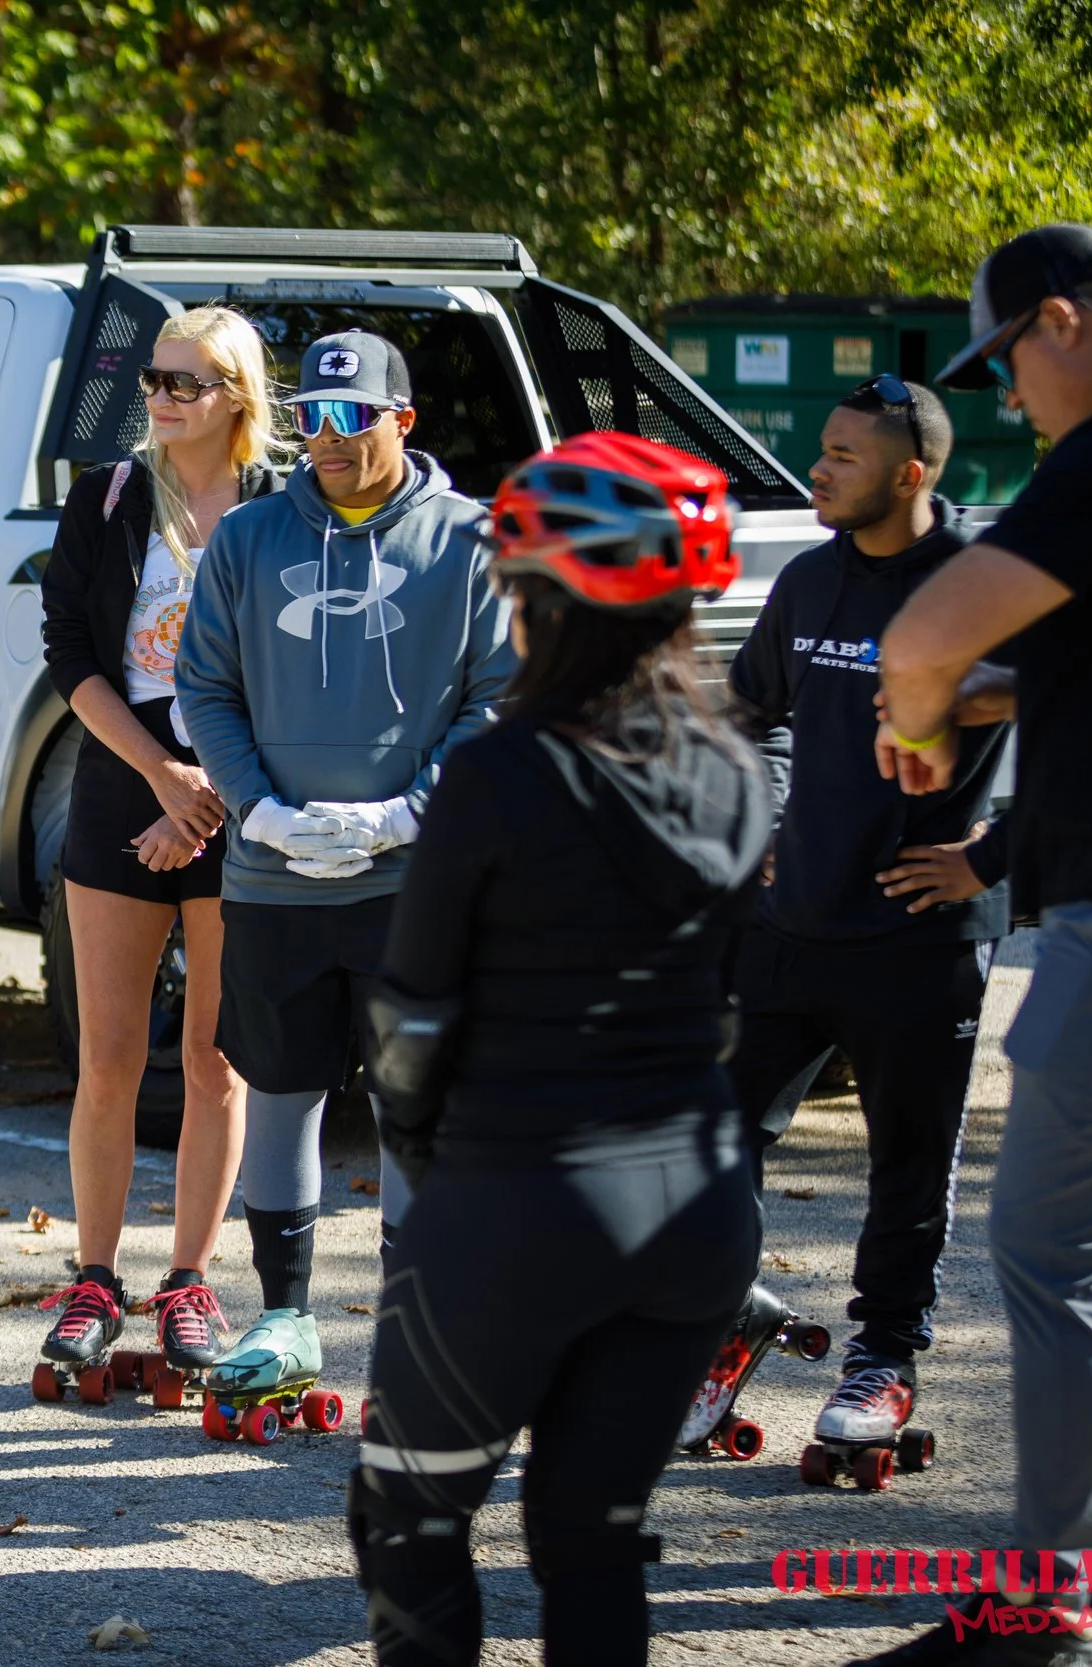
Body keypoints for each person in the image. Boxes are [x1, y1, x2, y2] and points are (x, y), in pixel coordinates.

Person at [354, 433, 765, 1667]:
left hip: (520, 1199)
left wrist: (433, 1166)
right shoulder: (738, 769)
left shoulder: (498, 771)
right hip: (697, 1206)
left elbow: (412, 1015)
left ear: (547, 598)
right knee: (593, 1538)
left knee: (411, 1514)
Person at [853, 223, 1092, 1667]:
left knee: (1057, 1254)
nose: (1011, 397)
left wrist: (918, 718)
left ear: (1058, 320)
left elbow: (920, 638)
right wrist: (1011, 693)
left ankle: (1044, 1607)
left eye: (1008, 364)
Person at [173, 329, 512, 1406]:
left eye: (350, 416)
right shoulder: (248, 537)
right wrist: (260, 812)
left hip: (415, 882)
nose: (324, 436)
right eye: (311, 416)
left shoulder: (470, 541)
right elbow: (205, 687)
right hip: (276, 879)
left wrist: (409, 814)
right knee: (279, 1088)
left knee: (416, 1105)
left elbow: (499, 698)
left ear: (400, 421)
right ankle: (285, 1319)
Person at [706, 377, 1009, 1460]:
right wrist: (768, 816)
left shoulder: (980, 583)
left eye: (841, 455)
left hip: (917, 942)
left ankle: (883, 1358)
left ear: (909, 473)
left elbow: (1088, 710)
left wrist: (992, 855)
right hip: (785, 929)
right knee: (702, 1137)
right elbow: (747, 716)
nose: (819, 469)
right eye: (822, 448)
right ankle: (720, 1315)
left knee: (906, 1169)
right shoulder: (807, 577)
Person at [33, 306, 278, 1391]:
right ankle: (93, 1278)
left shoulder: (284, 506)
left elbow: (301, 665)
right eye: (154, 380)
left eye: (187, 381)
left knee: (215, 1059)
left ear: (236, 396)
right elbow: (72, 653)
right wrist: (159, 778)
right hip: (122, 782)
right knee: (109, 1055)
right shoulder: (111, 495)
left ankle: (187, 1279)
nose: (163, 397)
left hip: (241, 791)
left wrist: (210, 788)